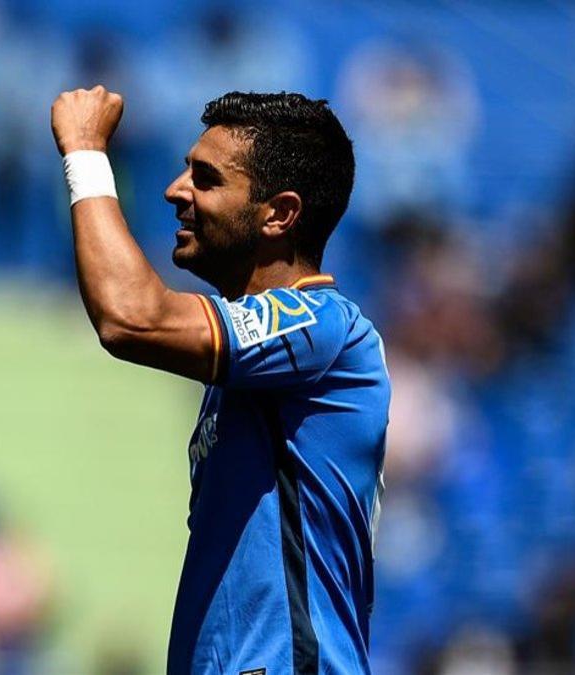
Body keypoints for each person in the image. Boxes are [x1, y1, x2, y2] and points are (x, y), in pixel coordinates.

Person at [50, 86, 390, 674]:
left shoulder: (324, 326)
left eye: (205, 179)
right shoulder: (255, 371)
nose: (175, 191)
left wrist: (84, 153)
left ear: (278, 214)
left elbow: (132, 317)